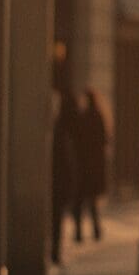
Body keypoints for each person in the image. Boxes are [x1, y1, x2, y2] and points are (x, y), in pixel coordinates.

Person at [72, 88, 109, 242]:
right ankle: (96, 231)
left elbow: (77, 141)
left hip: (84, 165)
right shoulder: (99, 117)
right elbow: (105, 140)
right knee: (91, 201)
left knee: (80, 201)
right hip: (94, 165)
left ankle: (80, 232)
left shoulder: (83, 117)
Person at [51, 89, 81, 264]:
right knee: (57, 217)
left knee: (56, 217)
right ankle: (55, 249)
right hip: (64, 177)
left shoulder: (61, 126)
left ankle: (55, 249)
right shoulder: (70, 126)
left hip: (60, 178)